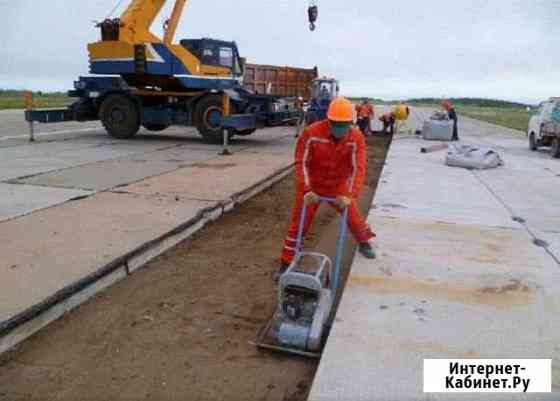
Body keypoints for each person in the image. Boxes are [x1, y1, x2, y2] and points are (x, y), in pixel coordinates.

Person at [273, 97, 377, 281]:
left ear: (350, 123)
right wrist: (306, 190)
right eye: (335, 123)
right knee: (298, 225)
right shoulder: (311, 133)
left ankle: (364, 242)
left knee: (354, 218)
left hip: (338, 186)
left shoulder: (356, 139)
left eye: (343, 124)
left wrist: (349, 195)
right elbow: (301, 163)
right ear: (328, 120)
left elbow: (358, 168)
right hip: (312, 187)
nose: (339, 127)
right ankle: (285, 263)